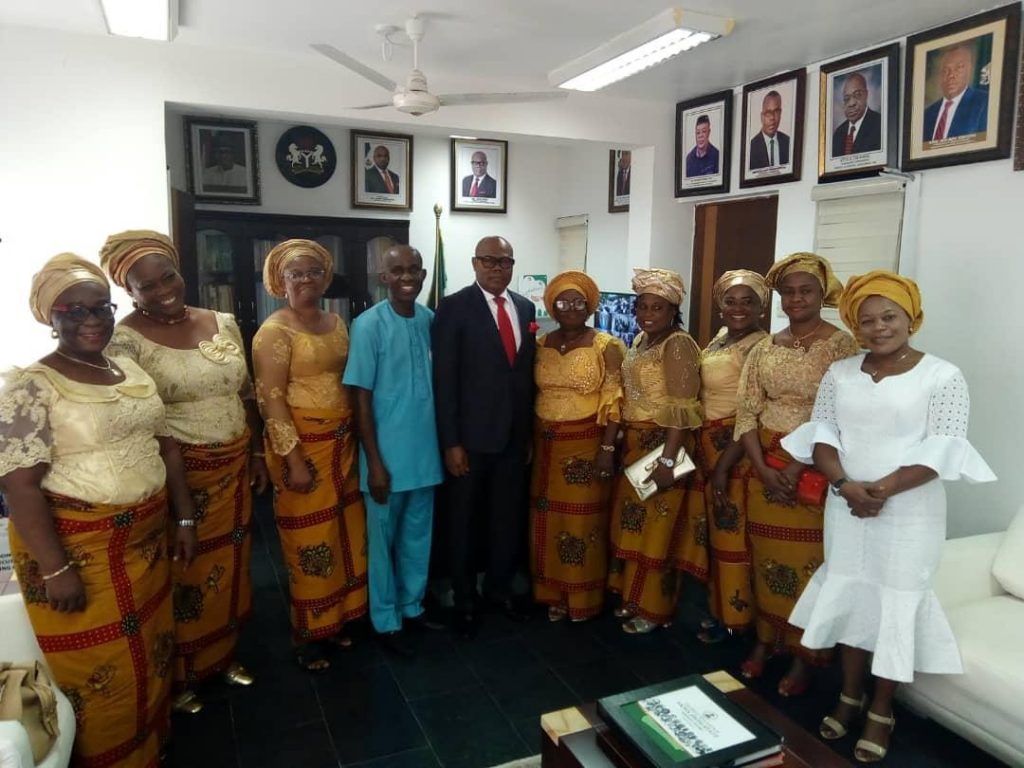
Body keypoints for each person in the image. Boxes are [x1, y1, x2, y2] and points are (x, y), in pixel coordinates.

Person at [782, 271, 995, 763]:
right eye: (868, 320)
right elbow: (823, 437)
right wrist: (844, 486)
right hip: (846, 506)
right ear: (856, 326)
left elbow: (942, 449)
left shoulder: (942, 375)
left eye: (890, 317)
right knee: (853, 595)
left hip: (908, 512)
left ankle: (881, 708)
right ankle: (849, 694)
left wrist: (881, 489)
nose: (879, 328)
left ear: (911, 318)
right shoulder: (840, 374)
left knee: (896, 605)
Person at [0, 253, 197, 767]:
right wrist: (55, 568)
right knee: (105, 665)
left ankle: (152, 743)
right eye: (74, 310)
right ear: (51, 317)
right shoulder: (32, 385)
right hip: (82, 550)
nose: (91, 320)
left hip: (147, 540)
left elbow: (167, 446)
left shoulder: (128, 368)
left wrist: (183, 517)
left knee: (150, 646)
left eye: (101, 308)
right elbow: (19, 488)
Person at [100, 229, 266, 713]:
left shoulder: (222, 321)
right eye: (146, 286)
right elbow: (134, 416)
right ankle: (182, 674)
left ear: (180, 271)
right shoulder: (122, 341)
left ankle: (223, 657)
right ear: (129, 293)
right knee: (184, 570)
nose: (163, 289)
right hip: (180, 474)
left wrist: (256, 452)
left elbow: (246, 392)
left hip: (234, 462)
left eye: (167, 276)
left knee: (232, 562)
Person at [734, 252, 859, 695]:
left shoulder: (841, 346)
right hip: (765, 467)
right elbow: (746, 411)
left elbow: (844, 411)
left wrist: (796, 463)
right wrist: (763, 468)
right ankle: (767, 641)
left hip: (814, 469)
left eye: (806, 290)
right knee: (765, 561)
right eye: (787, 291)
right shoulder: (765, 346)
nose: (796, 298)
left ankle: (805, 655)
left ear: (822, 293)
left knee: (808, 566)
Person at [252, 239, 368, 671]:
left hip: (343, 443)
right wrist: (293, 459)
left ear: (325, 277)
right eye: (295, 274)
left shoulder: (337, 322)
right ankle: (309, 633)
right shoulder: (274, 331)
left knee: (344, 532)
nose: (306, 280)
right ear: (279, 281)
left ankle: (338, 621)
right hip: (303, 449)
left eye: (313, 272)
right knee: (310, 538)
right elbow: (270, 400)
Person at [432, 236, 536, 637]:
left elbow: (523, 377)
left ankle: (498, 590)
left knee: (505, 520)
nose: (497, 268)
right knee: (463, 521)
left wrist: (525, 435)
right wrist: (451, 442)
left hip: (512, 439)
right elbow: (445, 380)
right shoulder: (454, 307)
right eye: (489, 261)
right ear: (475, 263)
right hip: (470, 440)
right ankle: (463, 597)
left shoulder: (524, 307)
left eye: (505, 261)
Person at [343, 245, 442, 657]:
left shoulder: (430, 320)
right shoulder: (368, 325)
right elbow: (360, 397)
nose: (407, 277)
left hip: (426, 454)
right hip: (385, 459)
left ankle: (412, 607)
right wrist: (375, 464)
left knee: (418, 538)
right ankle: (385, 620)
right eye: (397, 270)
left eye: (414, 270)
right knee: (382, 543)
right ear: (383, 278)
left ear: (422, 275)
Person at [607, 268, 703, 634]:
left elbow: (683, 406)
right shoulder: (641, 342)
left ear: (673, 310)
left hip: (665, 444)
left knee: (659, 530)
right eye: (642, 306)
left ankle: (654, 609)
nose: (647, 313)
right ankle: (633, 598)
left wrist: (667, 460)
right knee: (637, 526)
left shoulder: (677, 344)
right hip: (636, 443)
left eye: (657, 307)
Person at [529, 271, 625, 622]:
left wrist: (607, 449)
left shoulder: (607, 345)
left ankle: (582, 597)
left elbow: (615, 398)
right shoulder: (540, 344)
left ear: (590, 305)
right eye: (562, 301)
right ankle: (553, 592)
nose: (570, 307)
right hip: (545, 445)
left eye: (578, 301)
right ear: (551, 306)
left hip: (586, 444)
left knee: (583, 523)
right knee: (547, 519)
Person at [695, 270, 769, 644]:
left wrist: (724, 464)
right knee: (717, 533)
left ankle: (738, 617)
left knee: (733, 532)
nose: (738, 308)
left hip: (736, 448)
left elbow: (752, 410)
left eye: (748, 301)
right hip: (711, 445)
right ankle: (719, 608)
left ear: (762, 307)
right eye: (731, 300)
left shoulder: (761, 346)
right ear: (720, 306)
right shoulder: (722, 338)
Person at [923, 44, 988, 141]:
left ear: (969, 70)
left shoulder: (984, 102)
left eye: (959, 68)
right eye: (946, 70)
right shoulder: (928, 114)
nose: (951, 75)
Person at [831, 72, 882, 156]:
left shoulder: (880, 124)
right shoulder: (838, 133)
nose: (851, 103)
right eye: (847, 99)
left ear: (866, 95)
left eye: (857, 95)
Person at [748, 91, 790, 169]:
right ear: (762, 117)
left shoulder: (788, 142)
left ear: (780, 114)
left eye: (776, 112)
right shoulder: (751, 147)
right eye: (768, 113)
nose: (772, 118)